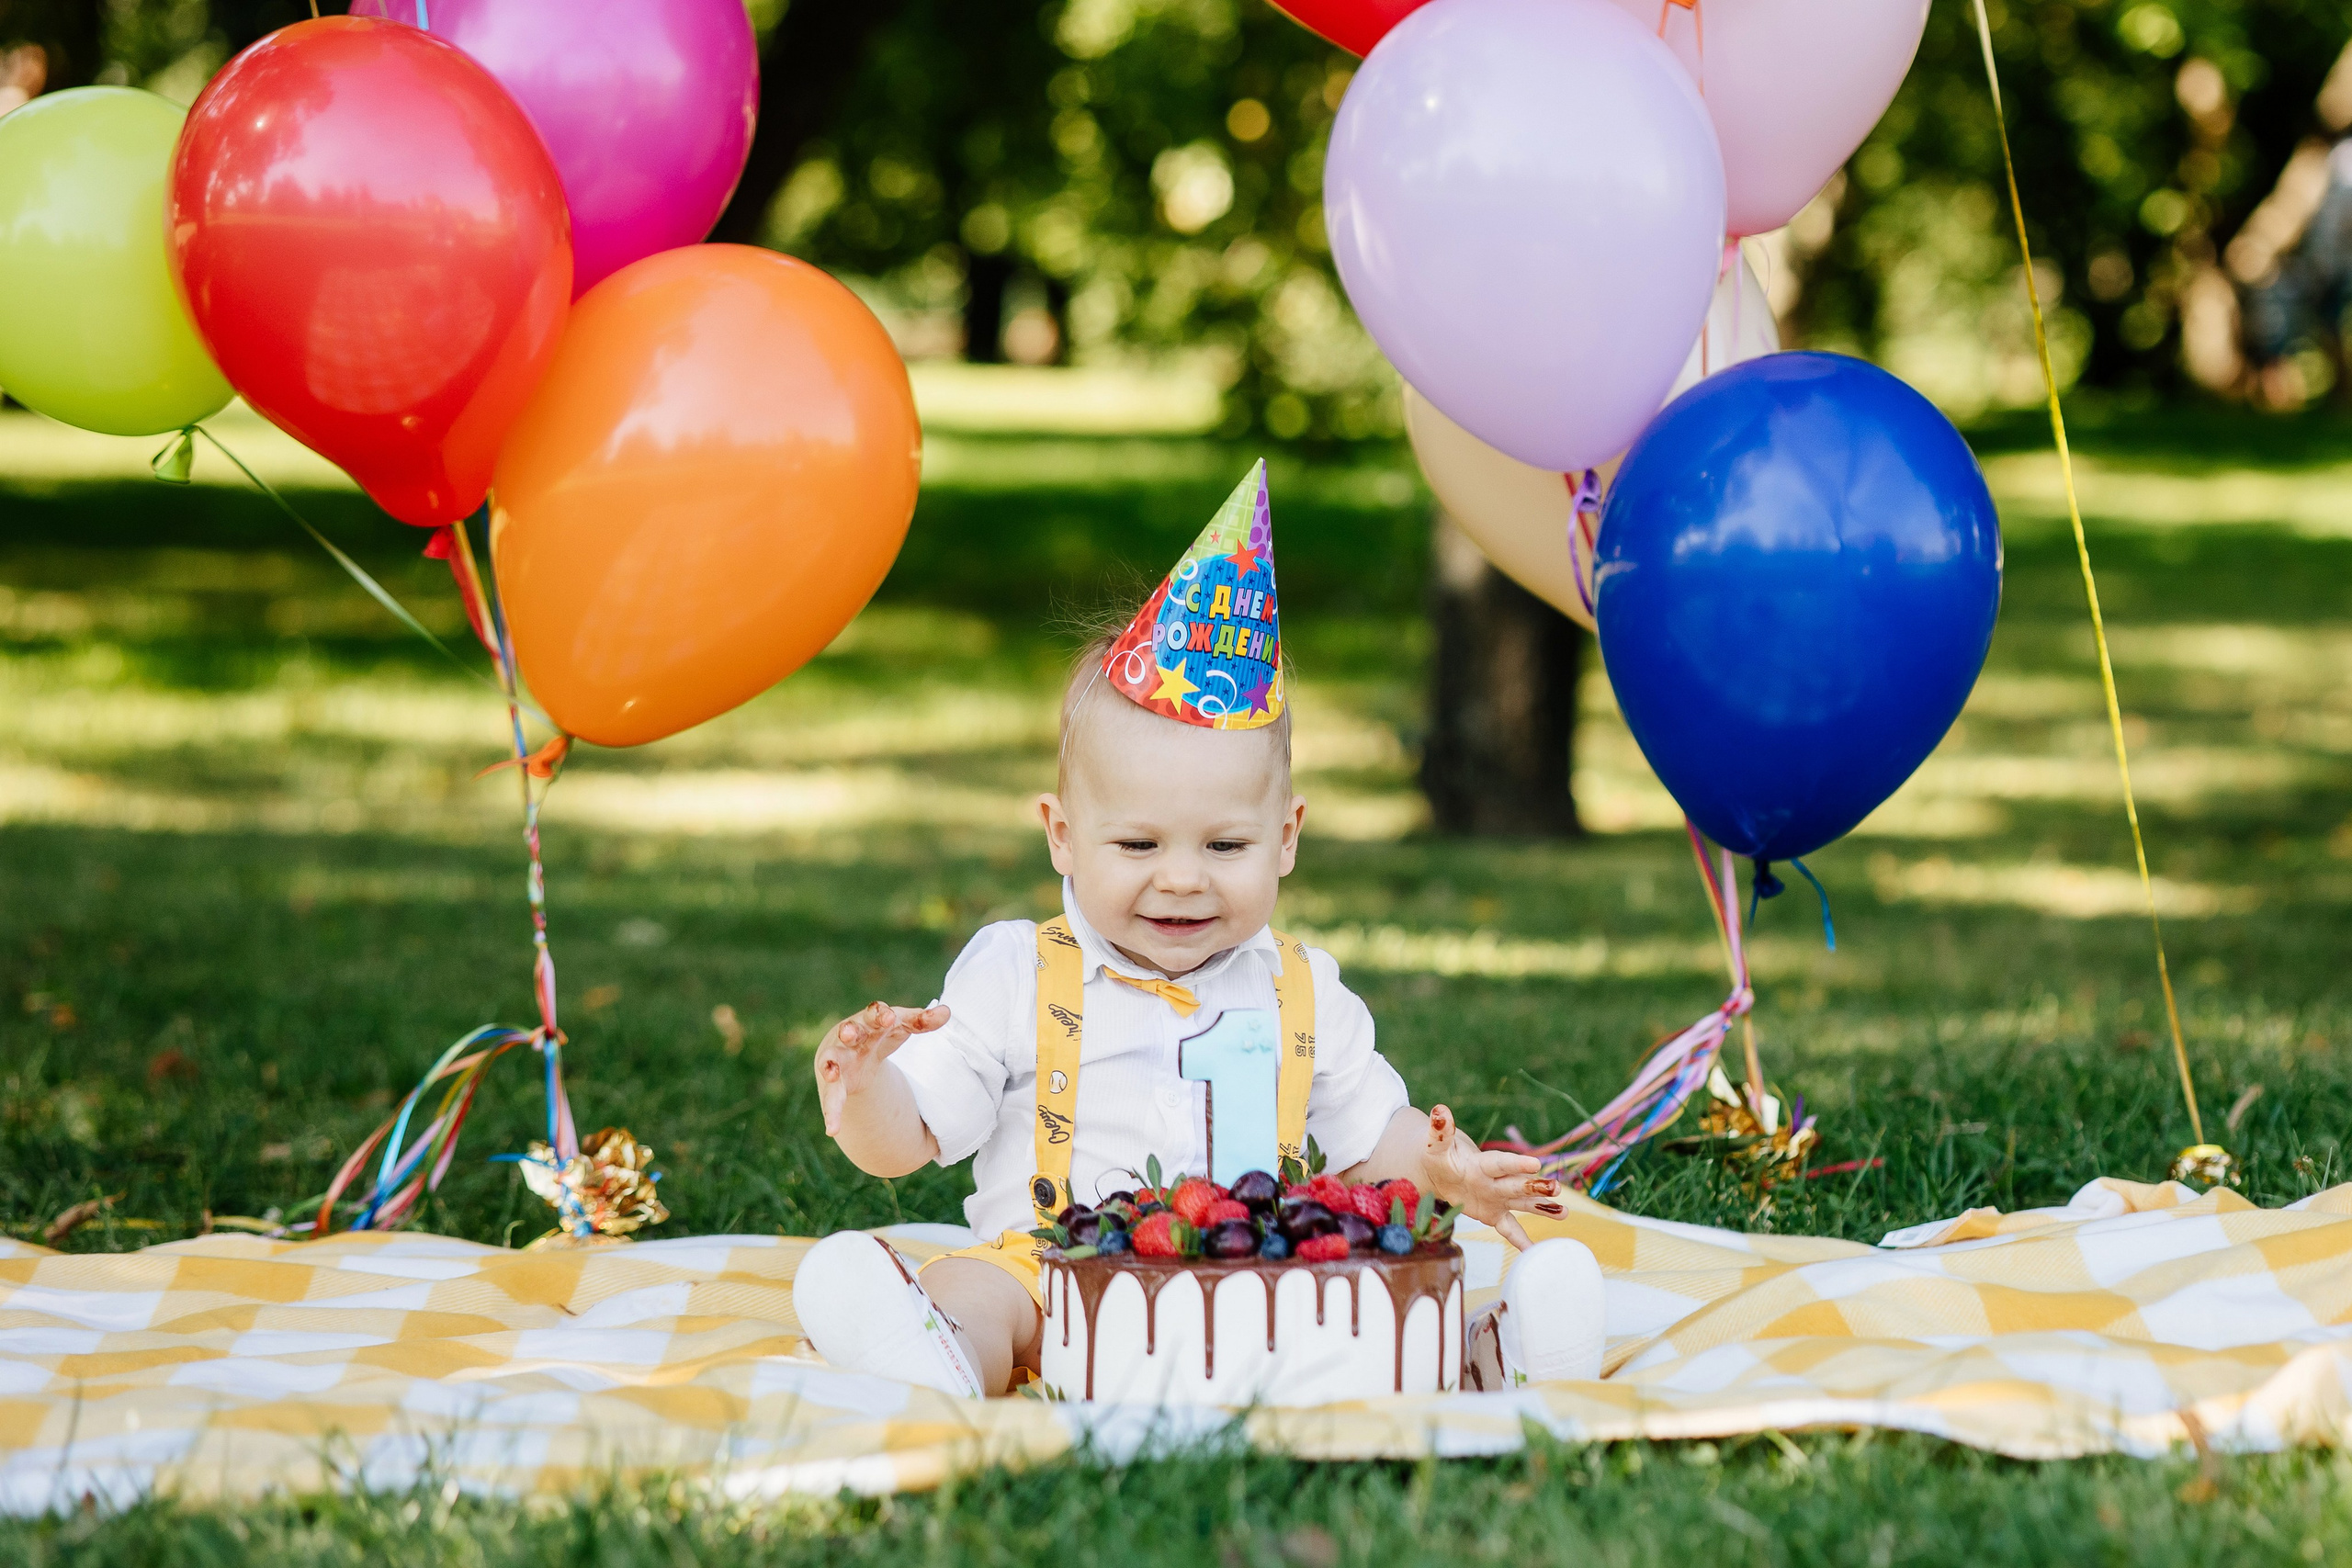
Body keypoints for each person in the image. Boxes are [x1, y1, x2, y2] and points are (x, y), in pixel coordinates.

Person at [791, 461, 1603, 1397]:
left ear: (1286, 838)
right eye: (1137, 842)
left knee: (1378, 1281)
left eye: (1225, 844)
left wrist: (1443, 1166)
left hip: (1263, 1281)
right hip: (1057, 1279)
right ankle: (934, 1356)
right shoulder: (1016, 972)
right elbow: (908, 1138)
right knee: (977, 1290)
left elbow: (1371, 1144)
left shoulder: (1303, 991)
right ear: (1062, 834)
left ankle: (1499, 1349)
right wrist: (865, 1088)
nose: (1181, 877)